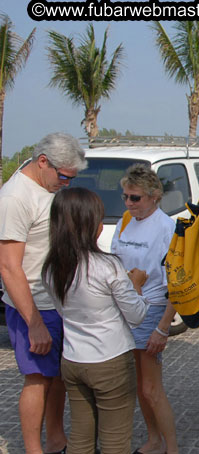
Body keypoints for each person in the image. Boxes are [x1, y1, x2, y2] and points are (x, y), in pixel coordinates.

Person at [42, 187, 149, 454]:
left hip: (73, 359)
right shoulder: (107, 266)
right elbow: (136, 315)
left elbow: (61, 310)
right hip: (110, 361)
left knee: (80, 437)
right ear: (92, 226)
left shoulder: (51, 267)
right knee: (115, 441)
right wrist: (136, 285)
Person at [0, 132, 86, 454]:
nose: (66, 184)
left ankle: (55, 439)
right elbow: (8, 267)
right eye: (63, 176)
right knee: (37, 378)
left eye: (72, 178)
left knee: (58, 376)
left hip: (58, 302)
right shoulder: (14, 198)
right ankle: (34, 449)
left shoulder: (46, 185)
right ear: (42, 162)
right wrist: (33, 321)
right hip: (33, 305)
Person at [110, 164, 178, 454]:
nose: (128, 203)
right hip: (125, 307)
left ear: (154, 196)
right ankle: (153, 440)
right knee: (139, 386)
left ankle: (172, 448)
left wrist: (162, 328)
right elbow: (114, 262)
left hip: (151, 308)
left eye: (135, 198)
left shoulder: (167, 228)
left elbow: (175, 283)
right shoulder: (126, 220)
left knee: (152, 388)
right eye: (125, 196)